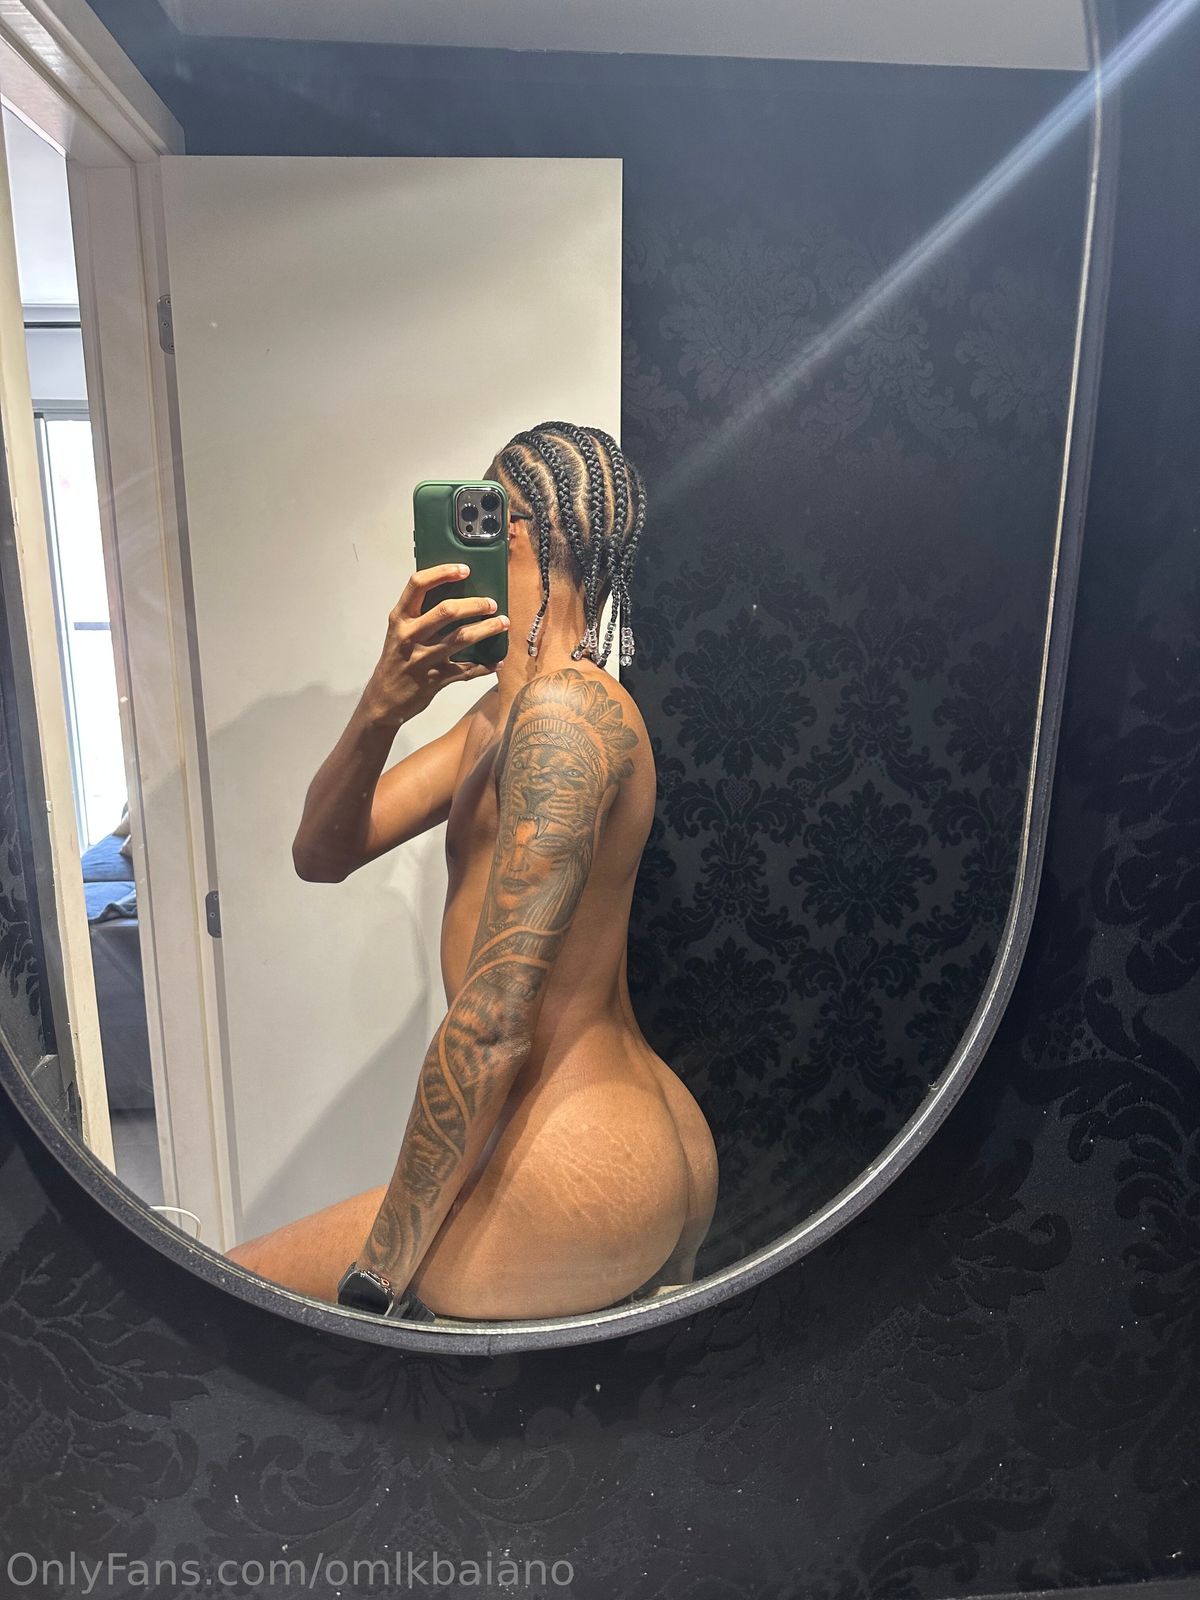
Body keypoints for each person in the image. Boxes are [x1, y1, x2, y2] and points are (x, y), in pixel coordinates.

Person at [226, 423, 718, 1321]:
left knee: (224, 1291)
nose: (462, 542)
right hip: (620, 1143)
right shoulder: (498, 720)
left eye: (480, 516)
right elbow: (321, 854)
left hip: (581, 1160)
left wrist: (380, 1273)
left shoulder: (564, 716)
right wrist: (383, 704)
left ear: (522, 534)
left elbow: (493, 1023)